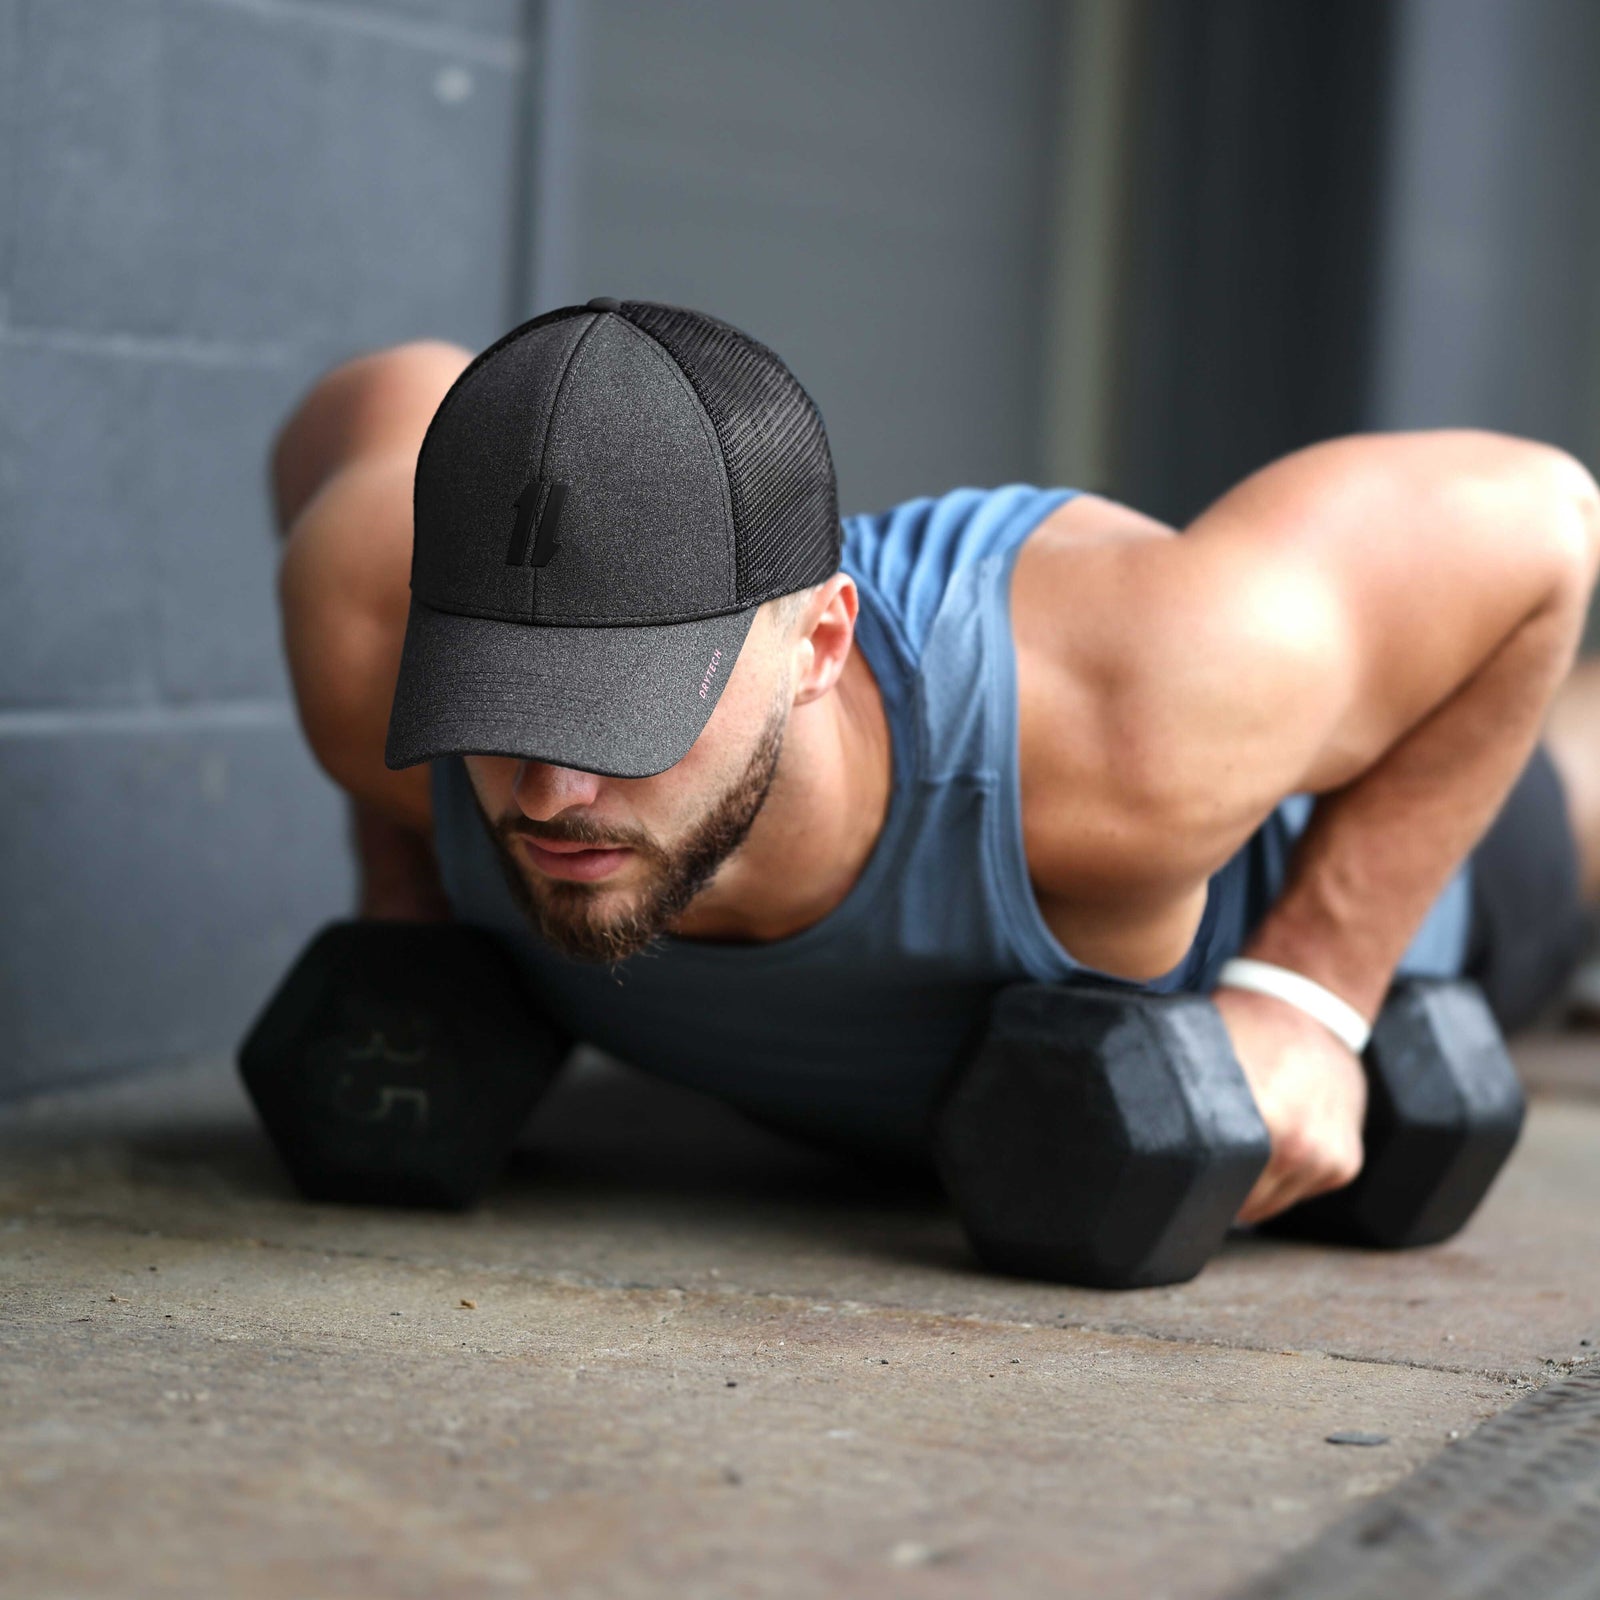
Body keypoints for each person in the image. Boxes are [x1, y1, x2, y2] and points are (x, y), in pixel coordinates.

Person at [269, 299, 1600, 1228]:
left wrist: (1312, 992)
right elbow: (369, 396)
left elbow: (1545, 519)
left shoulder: (1136, 710)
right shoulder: (366, 653)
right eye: (500, 702)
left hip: (1460, 866)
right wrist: (410, 895)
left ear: (819, 643)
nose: (551, 796)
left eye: (620, 719)